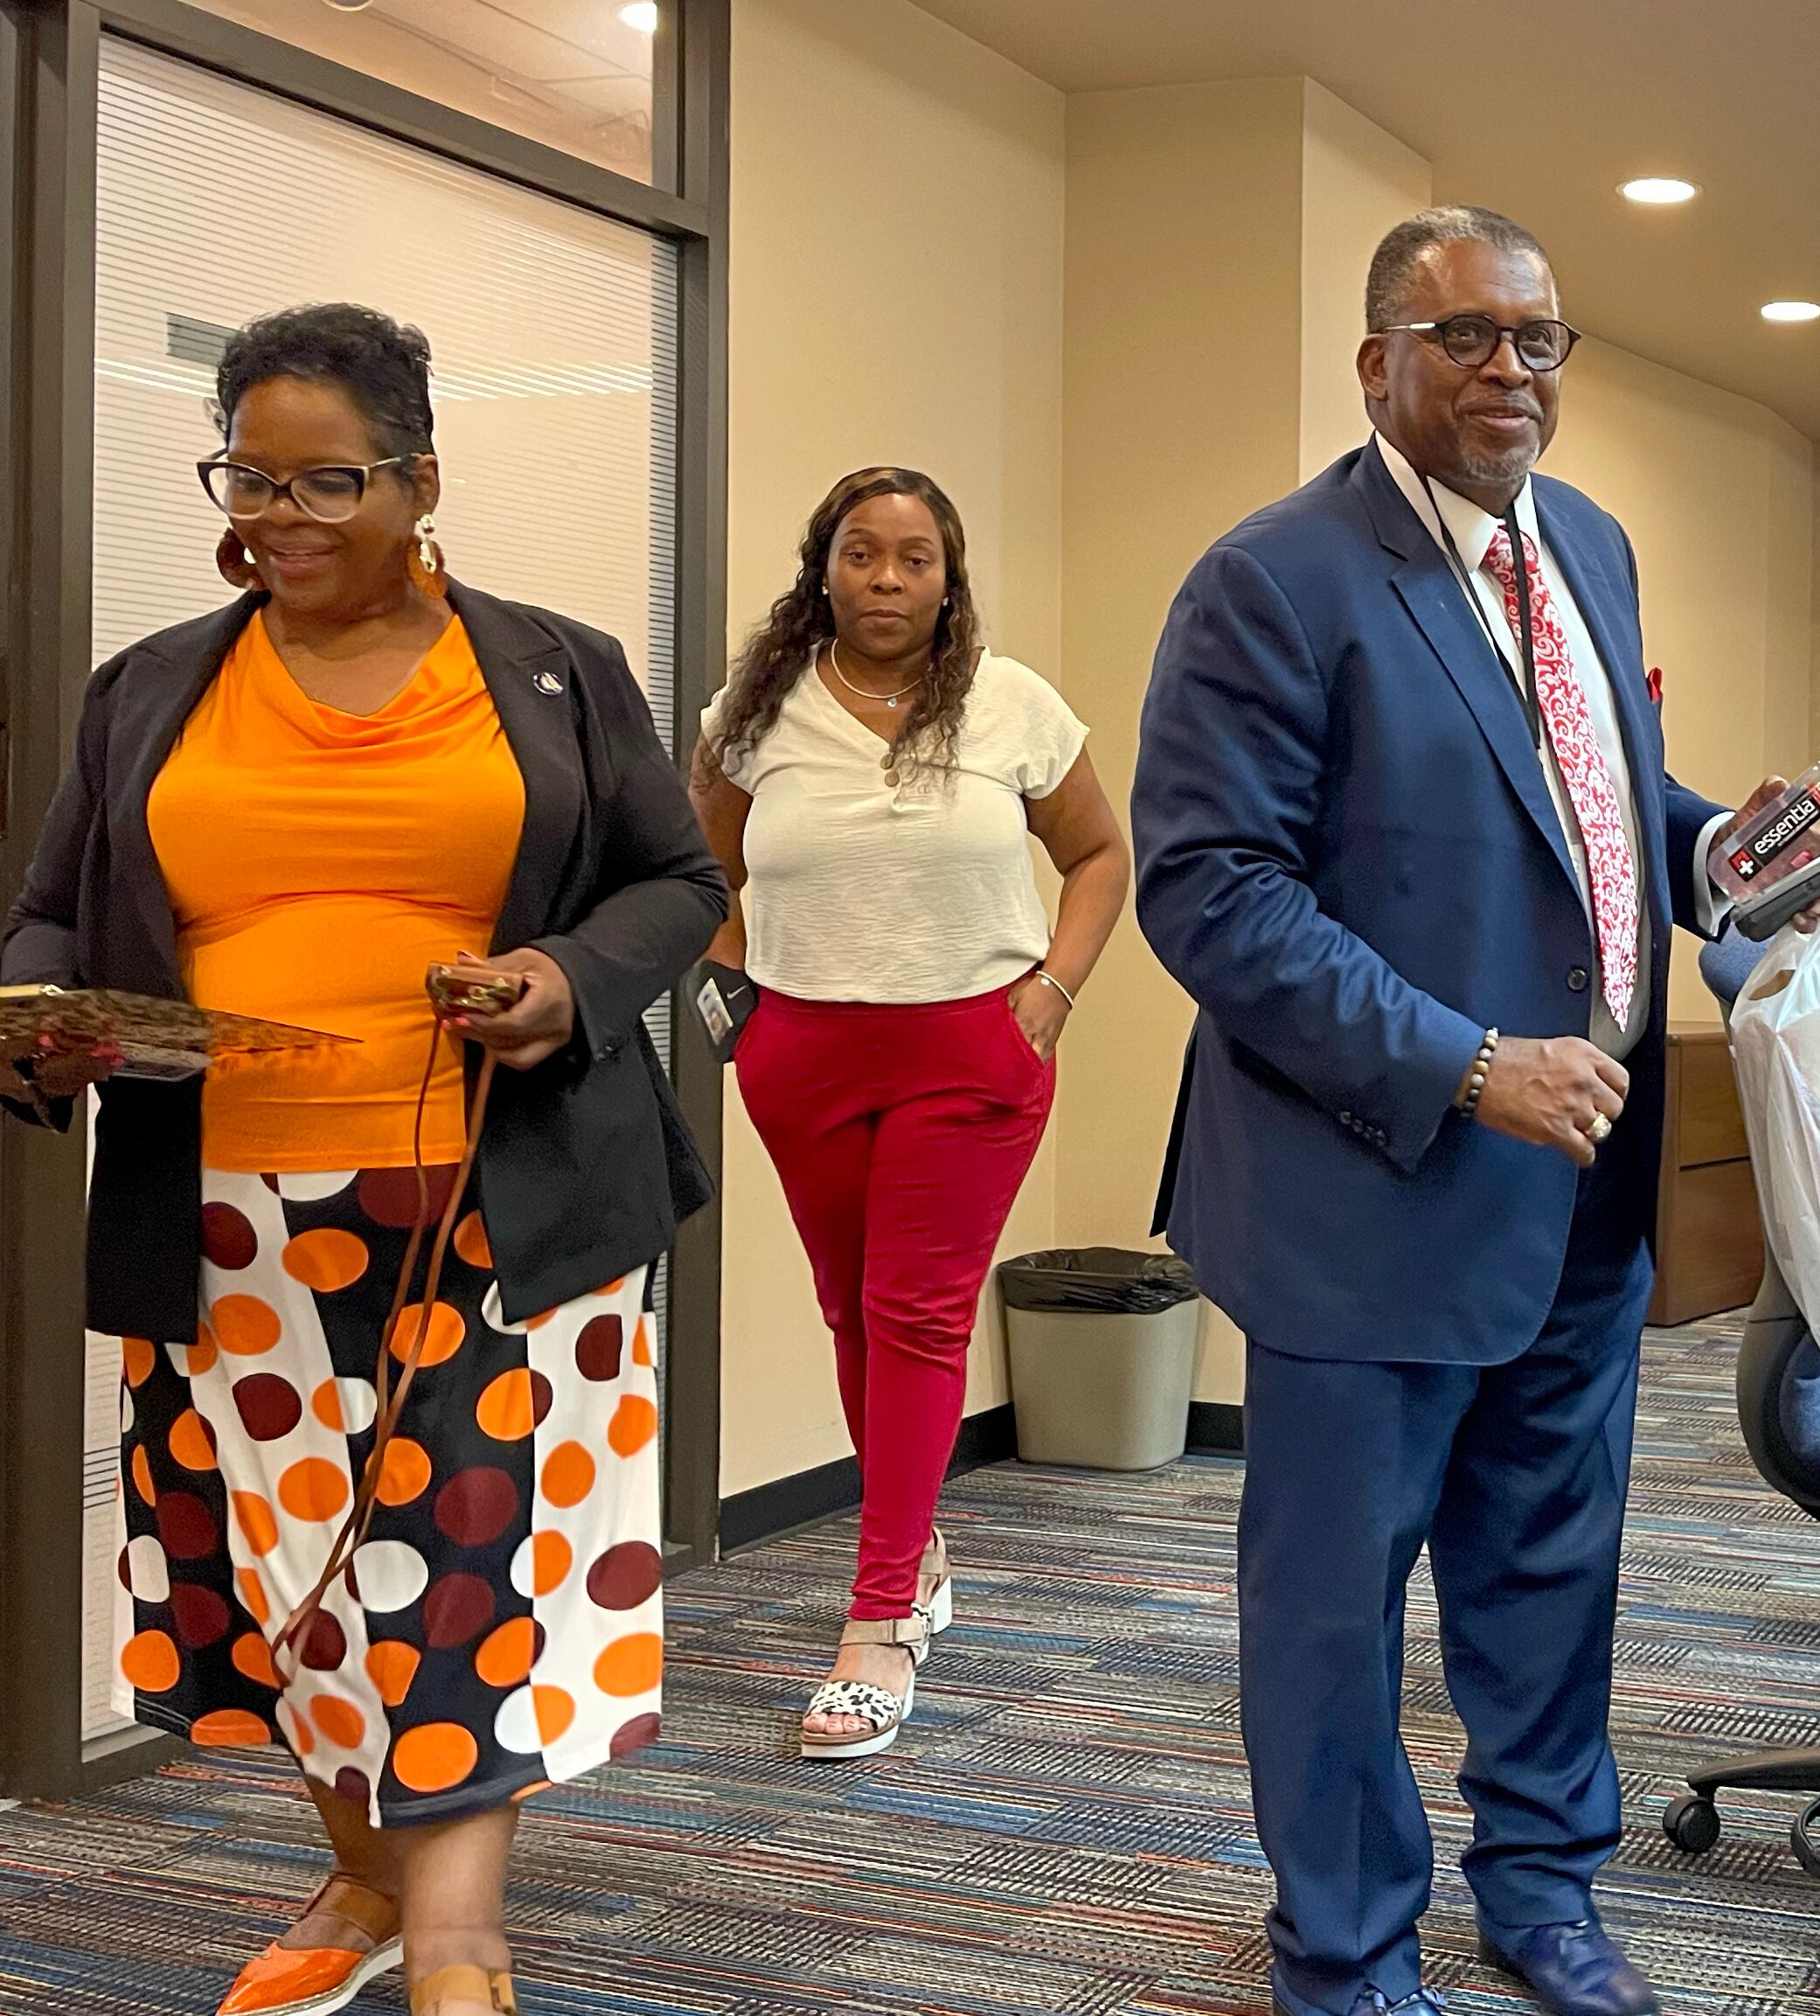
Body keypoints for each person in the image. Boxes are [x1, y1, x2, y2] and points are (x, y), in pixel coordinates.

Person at [0, 305, 723, 2016]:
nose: (283, 512)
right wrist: (40, 1016)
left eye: (329, 478)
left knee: (458, 1547)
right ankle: (361, 1867)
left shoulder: (550, 668)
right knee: (281, 1566)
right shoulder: (149, 686)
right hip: (221, 1210)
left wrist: (567, 981)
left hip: (497, 1195)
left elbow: (675, 881)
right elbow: (52, 907)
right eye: (251, 473)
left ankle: (460, 1935)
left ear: (419, 483)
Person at [1132, 206, 1816, 2016]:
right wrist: (1459, 1059)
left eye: (1537, 340)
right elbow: (1208, 888)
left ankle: (1543, 1891)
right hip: (1373, 1182)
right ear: (1377, 363)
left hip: (1582, 1181)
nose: (1507, 371)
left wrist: (1714, 853)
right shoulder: (1271, 575)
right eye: (1463, 338)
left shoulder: (1579, 541)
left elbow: (1590, 786)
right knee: (1334, 1607)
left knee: (1549, 1561)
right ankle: (1345, 1951)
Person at [687, 469, 1127, 1760]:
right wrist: (735, 994)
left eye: (915, 558)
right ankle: (915, 1541)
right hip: (802, 1049)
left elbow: (1101, 855)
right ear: (822, 566)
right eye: (863, 554)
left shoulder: (1011, 703)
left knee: (917, 1309)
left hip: (970, 1046)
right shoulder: (752, 711)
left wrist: (1051, 988)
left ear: (950, 575)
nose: (887, 579)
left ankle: (880, 1619)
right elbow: (699, 867)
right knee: (850, 1306)